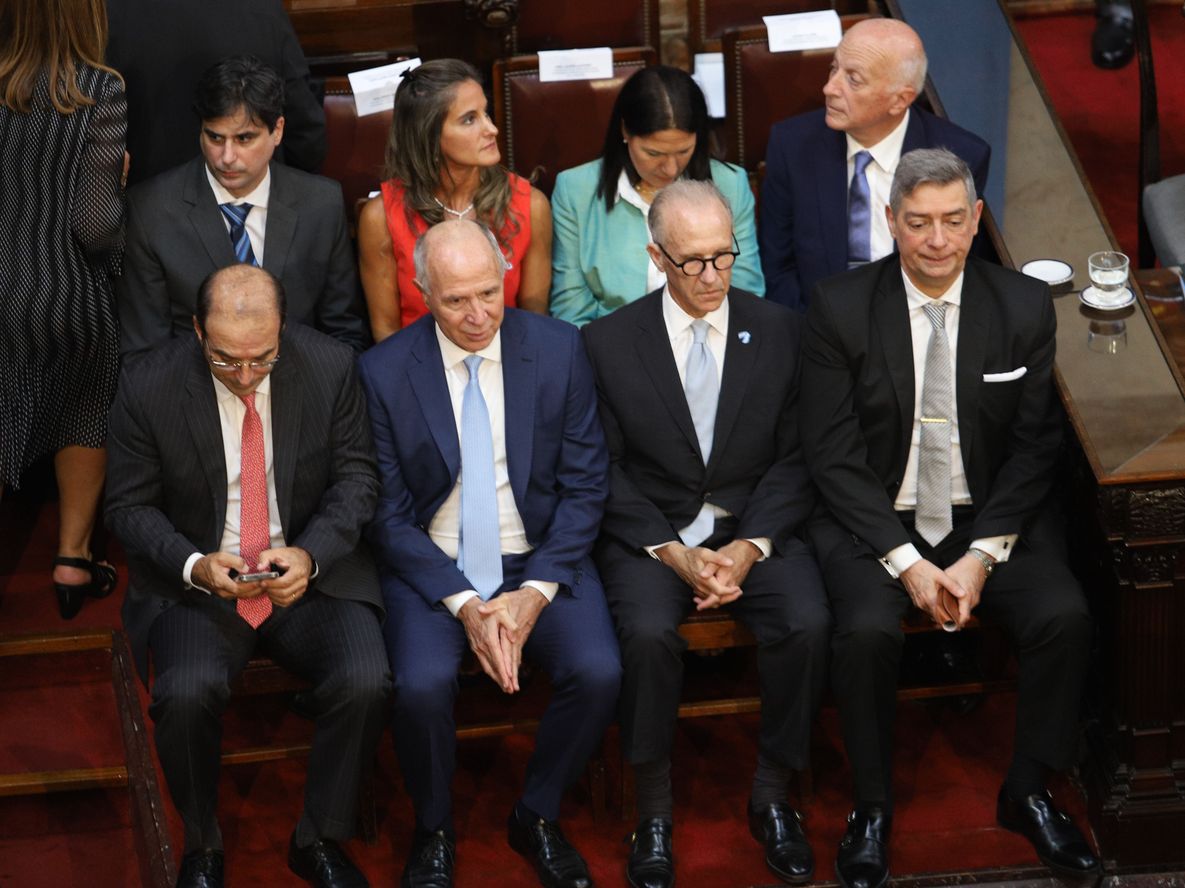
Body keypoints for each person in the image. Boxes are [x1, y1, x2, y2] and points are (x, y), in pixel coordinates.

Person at [799, 148, 1099, 887]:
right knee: (865, 631)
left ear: (975, 221)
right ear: (891, 222)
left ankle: (1028, 788)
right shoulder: (838, 308)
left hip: (985, 517)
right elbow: (832, 455)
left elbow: (1034, 449)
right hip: (877, 519)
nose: (937, 240)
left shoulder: (1022, 306)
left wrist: (980, 557)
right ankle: (872, 807)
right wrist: (906, 563)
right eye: (918, 222)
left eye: (952, 221)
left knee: (1063, 615)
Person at [106, 264, 391, 888]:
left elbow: (357, 478)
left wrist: (311, 555)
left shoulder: (330, 365)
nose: (243, 375)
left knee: (366, 678)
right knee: (185, 694)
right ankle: (202, 845)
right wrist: (194, 565)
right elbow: (128, 506)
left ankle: (319, 836)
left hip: (305, 576)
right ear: (197, 331)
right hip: (201, 584)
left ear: (283, 330)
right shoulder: (148, 384)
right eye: (224, 359)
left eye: (261, 359)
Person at [581, 180, 830, 888]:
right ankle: (653, 811)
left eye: (724, 256)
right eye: (692, 261)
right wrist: (671, 551)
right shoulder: (605, 343)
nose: (712, 276)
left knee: (808, 622)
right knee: (645, 636)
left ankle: (773, 795)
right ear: (656, 256)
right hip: (652, 536)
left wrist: (748, 547)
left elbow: (798, 456)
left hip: (755, 527)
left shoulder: (781, 330)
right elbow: (602, 468)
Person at [358, 220, 620, 888]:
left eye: (488, 293)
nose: (477, 315)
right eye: (455, 301)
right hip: (435, 565)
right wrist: (464, 604)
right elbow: (386, 515)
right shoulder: (383, 372)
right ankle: (434, 828)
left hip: (537, 556)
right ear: (421, 292)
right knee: (420, 686)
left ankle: (537, 813)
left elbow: (586, 486)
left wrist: (535, 592)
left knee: (597, 671)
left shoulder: (559, 349)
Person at [0, 0, 126, 619]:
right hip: (67, 296)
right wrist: (119, 189)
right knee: (86, 407)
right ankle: (73, 560)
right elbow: (95, 227)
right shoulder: (99, 91)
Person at [117, 55, 367, 358]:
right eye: (215, 137)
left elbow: (344, 336)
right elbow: (145, 356)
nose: (227, 157)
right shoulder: (151, 211)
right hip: (195, 385)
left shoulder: (321, 203)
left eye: (244, 138)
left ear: (278, 130)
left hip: (301, 380)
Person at [760, 18, 990, 312]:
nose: (829, 88)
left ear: (899, 100)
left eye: (853, 79)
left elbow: (954, 270)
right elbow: (778, 268)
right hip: (815, 325)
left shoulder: (962, 157)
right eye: (834, 68)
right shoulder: (792, 145)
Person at [551, 65, 764, 327]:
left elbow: (746, 294)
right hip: (613, 343)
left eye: (683, 151)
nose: (671, 169)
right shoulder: (575, 191)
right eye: (654, 154)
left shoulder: (730, 184)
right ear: (625, 131)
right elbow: (571, 311)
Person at [358, 59, 551, 342]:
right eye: (469, 119)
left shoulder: (530, 206)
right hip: (420, 362)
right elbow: (386, 334)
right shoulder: (380, 219)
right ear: (429, 135)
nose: (491, 129)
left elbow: (534, 328)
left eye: (486, 113)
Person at [106, 0, 326, 188]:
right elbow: (306, 134)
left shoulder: (108, 11)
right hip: (253, 206)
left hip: (150, 206)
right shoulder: (262, 7)